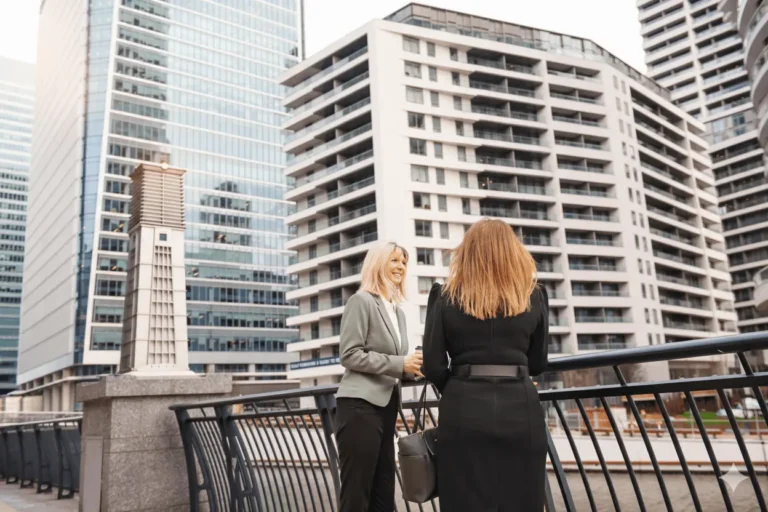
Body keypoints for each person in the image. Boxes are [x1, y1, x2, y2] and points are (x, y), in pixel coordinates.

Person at [422, 219, 549, 512]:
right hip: (520, 409)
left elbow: (433, 364)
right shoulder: (533, 296)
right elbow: (539, 362)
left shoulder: (444, 296)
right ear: (514, 252)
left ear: (467, 253)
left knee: (464, 502)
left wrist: (455, 386)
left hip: (463, 410)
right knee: (521, 501)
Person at [335, 242, 424, 512]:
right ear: (378, 264)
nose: (400, 267)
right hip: (359, 407)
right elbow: (349, 354)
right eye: (394, 260)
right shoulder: (361, 301)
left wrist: (416, 369)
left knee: (384, 493)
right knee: (357, 494)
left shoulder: (398, 312)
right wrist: (400, 362)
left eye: (404, 262)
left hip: (386, 410)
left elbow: (395, 365)